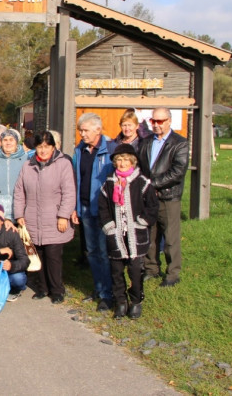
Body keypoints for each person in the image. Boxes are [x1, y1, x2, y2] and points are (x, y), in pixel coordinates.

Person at [14, 131, 76, 304]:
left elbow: (69, 192)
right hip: (32, 217)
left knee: (53, 256)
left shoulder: (63, 164)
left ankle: (57, 290)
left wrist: (63, 215)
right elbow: (19, 191)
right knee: (37, 255)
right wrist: (19, 213)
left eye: (46, 147)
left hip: (54, 218)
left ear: (53, 147)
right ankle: (43, 288)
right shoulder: (28, 165)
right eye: (39, 147)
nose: (42, 151)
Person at [99, 144, 159, 319]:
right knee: (116, 271)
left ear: (132, 161)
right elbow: (103, 208)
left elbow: (152, 206)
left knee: (135, 270)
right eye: (118, 159)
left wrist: (141, 222)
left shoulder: (142, 182)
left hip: (135, 234)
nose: (122, 163)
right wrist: (109, 226)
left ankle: (136, 301)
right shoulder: (109, 184)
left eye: (125, 159)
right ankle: (121, 302)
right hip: (116, 235)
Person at [137, 107, 189, 288]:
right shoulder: (145, 142)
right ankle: (151, 268)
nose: (156, 125)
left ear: (169, 121)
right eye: (154, 121)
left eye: (160, 121)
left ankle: (173, 273)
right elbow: (140, 167)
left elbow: (178, 171)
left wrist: (153, 184)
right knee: (150, 235)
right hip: (149, 198)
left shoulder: (180, 143)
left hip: (168, 197)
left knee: (170, 237)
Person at [71, 113, 116, 311]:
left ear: (98, 129)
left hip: (104, 209)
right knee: (91, 252)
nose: (82, 134)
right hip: (85, 208)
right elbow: (74, 180)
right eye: (80, 130)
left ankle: (108, 293)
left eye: (86, 130)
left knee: (105, 253)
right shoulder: (79, 151)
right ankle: (98, 288)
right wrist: (75, 208)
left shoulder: (110, 149)